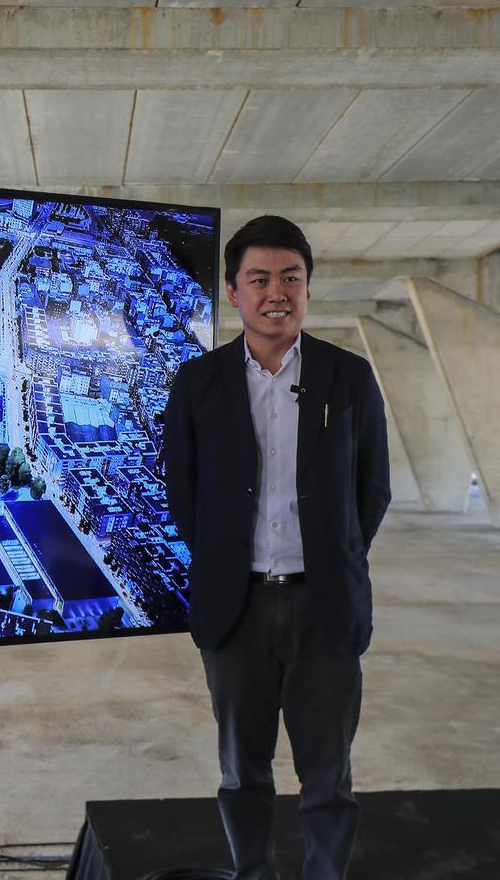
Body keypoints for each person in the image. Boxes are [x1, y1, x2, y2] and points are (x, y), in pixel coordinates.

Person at [162, 216, 391, 880]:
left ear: (308, 289)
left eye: (291, 277)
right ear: (233, 292)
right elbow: (184, 497)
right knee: (242, 771)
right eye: (258, 278)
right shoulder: (198, 382)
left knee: (329, 775)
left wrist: (333, 556)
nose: (276, 292)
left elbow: (371, 490)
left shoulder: (349, 377)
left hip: (325, 607)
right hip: (236, 609)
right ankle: (252, 871)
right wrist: (231, 561)